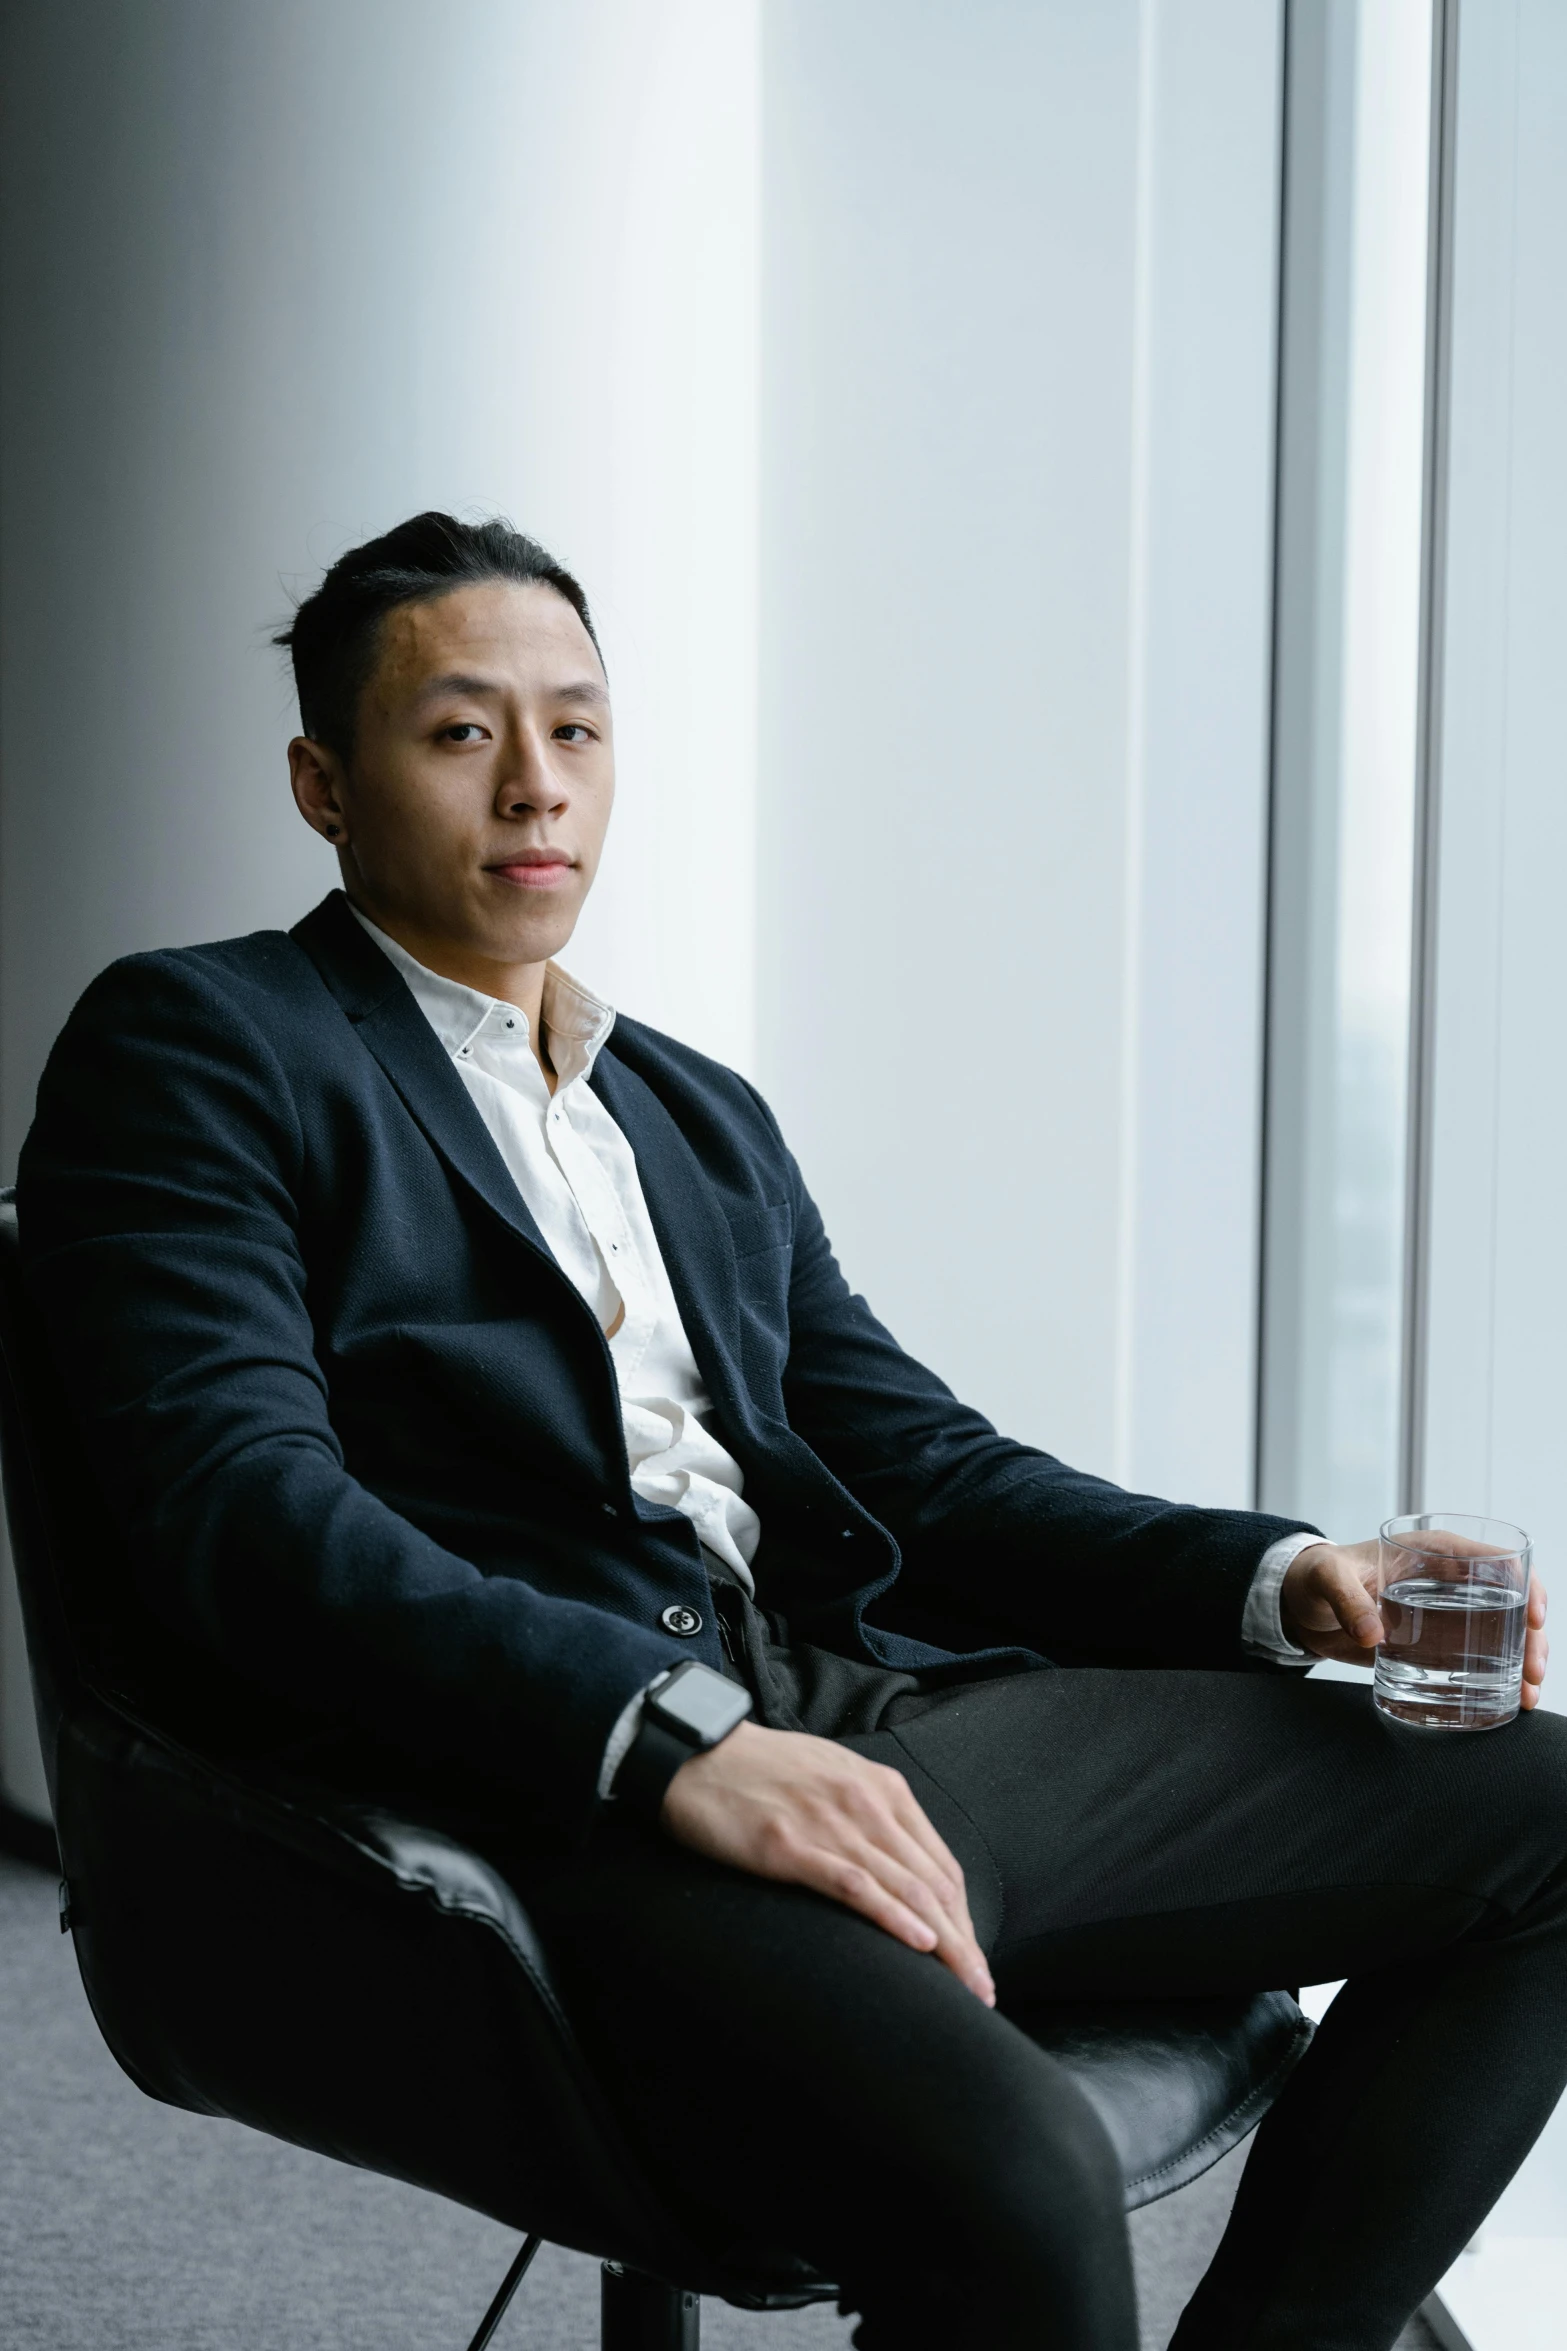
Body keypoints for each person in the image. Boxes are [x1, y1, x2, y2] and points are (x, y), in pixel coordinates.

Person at [18, 512, 1563, 2351]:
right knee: (1009, 2170)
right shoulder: (205, 1041)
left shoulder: (697, 1113)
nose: (536, 785)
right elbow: (244, 1514)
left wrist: (1283, 1573)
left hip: (862, 1723)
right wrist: (668, 1736)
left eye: (578, 731)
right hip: (569, 1791)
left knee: (1543, 1806)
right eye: (459, 732)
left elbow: (927, 1468)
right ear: (322, 783)